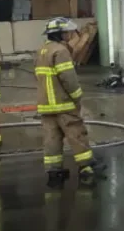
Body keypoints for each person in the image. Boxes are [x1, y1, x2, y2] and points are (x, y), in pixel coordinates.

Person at [35, 17, 106, 184]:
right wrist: (77, 96)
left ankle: (54, 170)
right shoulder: (61, 51)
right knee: (76, 133)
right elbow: (68, 78)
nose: (69, 35)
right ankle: (86, 166)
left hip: (45, 105)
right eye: (67, 32)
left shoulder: (41, 51)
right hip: (64, 103)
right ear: (60, 34)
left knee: (51, 138)